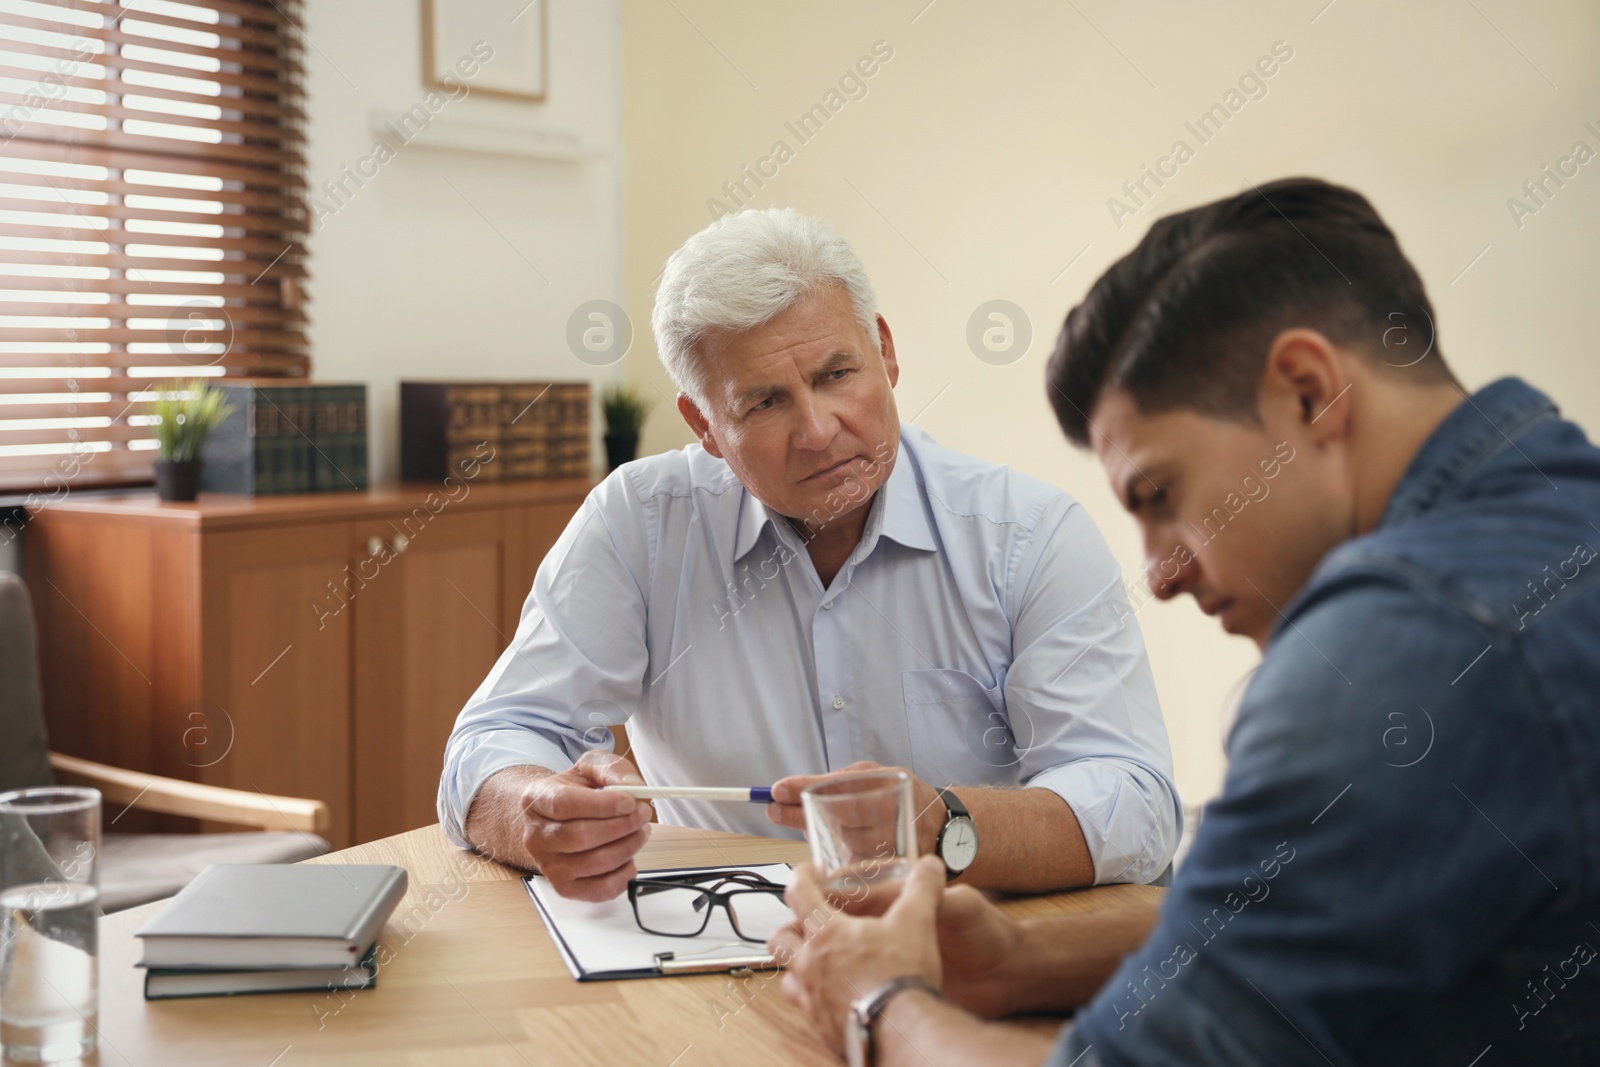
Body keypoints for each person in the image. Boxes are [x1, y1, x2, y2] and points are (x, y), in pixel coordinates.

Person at [771, 177, 1600, 1066]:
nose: (1159, 574)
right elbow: (1314, 910)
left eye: (1162, 495)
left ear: (1309, 390)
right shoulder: (1557, 508)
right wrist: (1019, 959)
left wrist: (878, 1002)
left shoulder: (1399, 649)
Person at [437, 208, 1181, 902]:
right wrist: (532, 811)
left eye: (836, 374)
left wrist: (946, 826)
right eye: (765, 402)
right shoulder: (640, 523)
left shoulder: (1029, 533)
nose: (819, 429)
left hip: (974, 949)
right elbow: (494, 737)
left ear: (885, 353)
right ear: (703, 424)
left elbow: (1137, 803)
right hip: (716, 947)